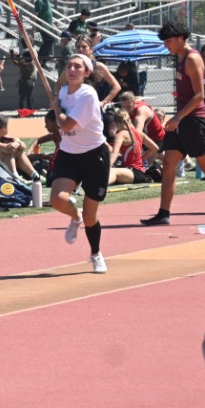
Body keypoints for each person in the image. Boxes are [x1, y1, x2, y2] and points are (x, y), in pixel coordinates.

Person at [141, 22, 205, 226]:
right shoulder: (179, 58)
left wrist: (178, 117)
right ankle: (163, 213)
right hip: (182, 120)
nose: (166, 45)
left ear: (180, 39)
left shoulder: (192, 58)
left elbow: (199, 95)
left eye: (169, 41)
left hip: (193, 120)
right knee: (169, 163)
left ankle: (163, 213)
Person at [49, 54, 110, 274]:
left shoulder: (88, 94)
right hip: (69, 155)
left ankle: (95, 254)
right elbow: (60, 123)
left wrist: (56, 109)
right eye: (69, 66)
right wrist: (57, 105)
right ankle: (75, 217)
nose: (72, 70)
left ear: (87, 73)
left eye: (78, 67)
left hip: (94, 156)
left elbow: (66, 125)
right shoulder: (63, 91)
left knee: (91, 216)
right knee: (57, 199)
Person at [56, 35, 121, 107]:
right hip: (73, 106)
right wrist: (60, 100)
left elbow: (116, 86)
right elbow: (59, 84)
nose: (80, 49)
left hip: (92, 106)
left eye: (84, 47)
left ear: (91, 50)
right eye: (78, 47)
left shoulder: (98, 66)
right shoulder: (71, 67)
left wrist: (103, 102)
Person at [107, 109, 159, 185]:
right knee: (112, 171)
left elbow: (115, 153)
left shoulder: (121, 135)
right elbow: (155, 148)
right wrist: (142, 158)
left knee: (112, 171)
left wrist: (107, 167)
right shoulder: (139, 133)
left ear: (116, 123)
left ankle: (100, 186)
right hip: (138, 173)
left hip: (133, 173)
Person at [0, 114, 42, 183]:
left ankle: (35, 175)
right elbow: (7, 149)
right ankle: (15, 177)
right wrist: (16, 144)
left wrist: (18, 143)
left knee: (19, 150)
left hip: (0, 164)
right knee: (9, 152)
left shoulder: (6, 137)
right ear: (4, 126)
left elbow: (23, 146)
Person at [26, 110, 62, 186]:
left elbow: (56, 156)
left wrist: (37, 156)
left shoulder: (64, 136)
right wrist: (29, 152)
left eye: (47, 123)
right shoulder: (54, 135)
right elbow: (37, 140)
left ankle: (42, 176)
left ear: (56, 122)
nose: (45, 126)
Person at [33, 0, 55, 68]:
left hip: (48, 26)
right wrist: (34, 26)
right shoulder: (40, 1)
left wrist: (52, 24)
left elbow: (48, 14)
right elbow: (35, 14)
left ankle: (43, 59)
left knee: (49, 41)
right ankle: (40, 58)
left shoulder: (47, 1)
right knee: (49, 41)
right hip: (42, 26)